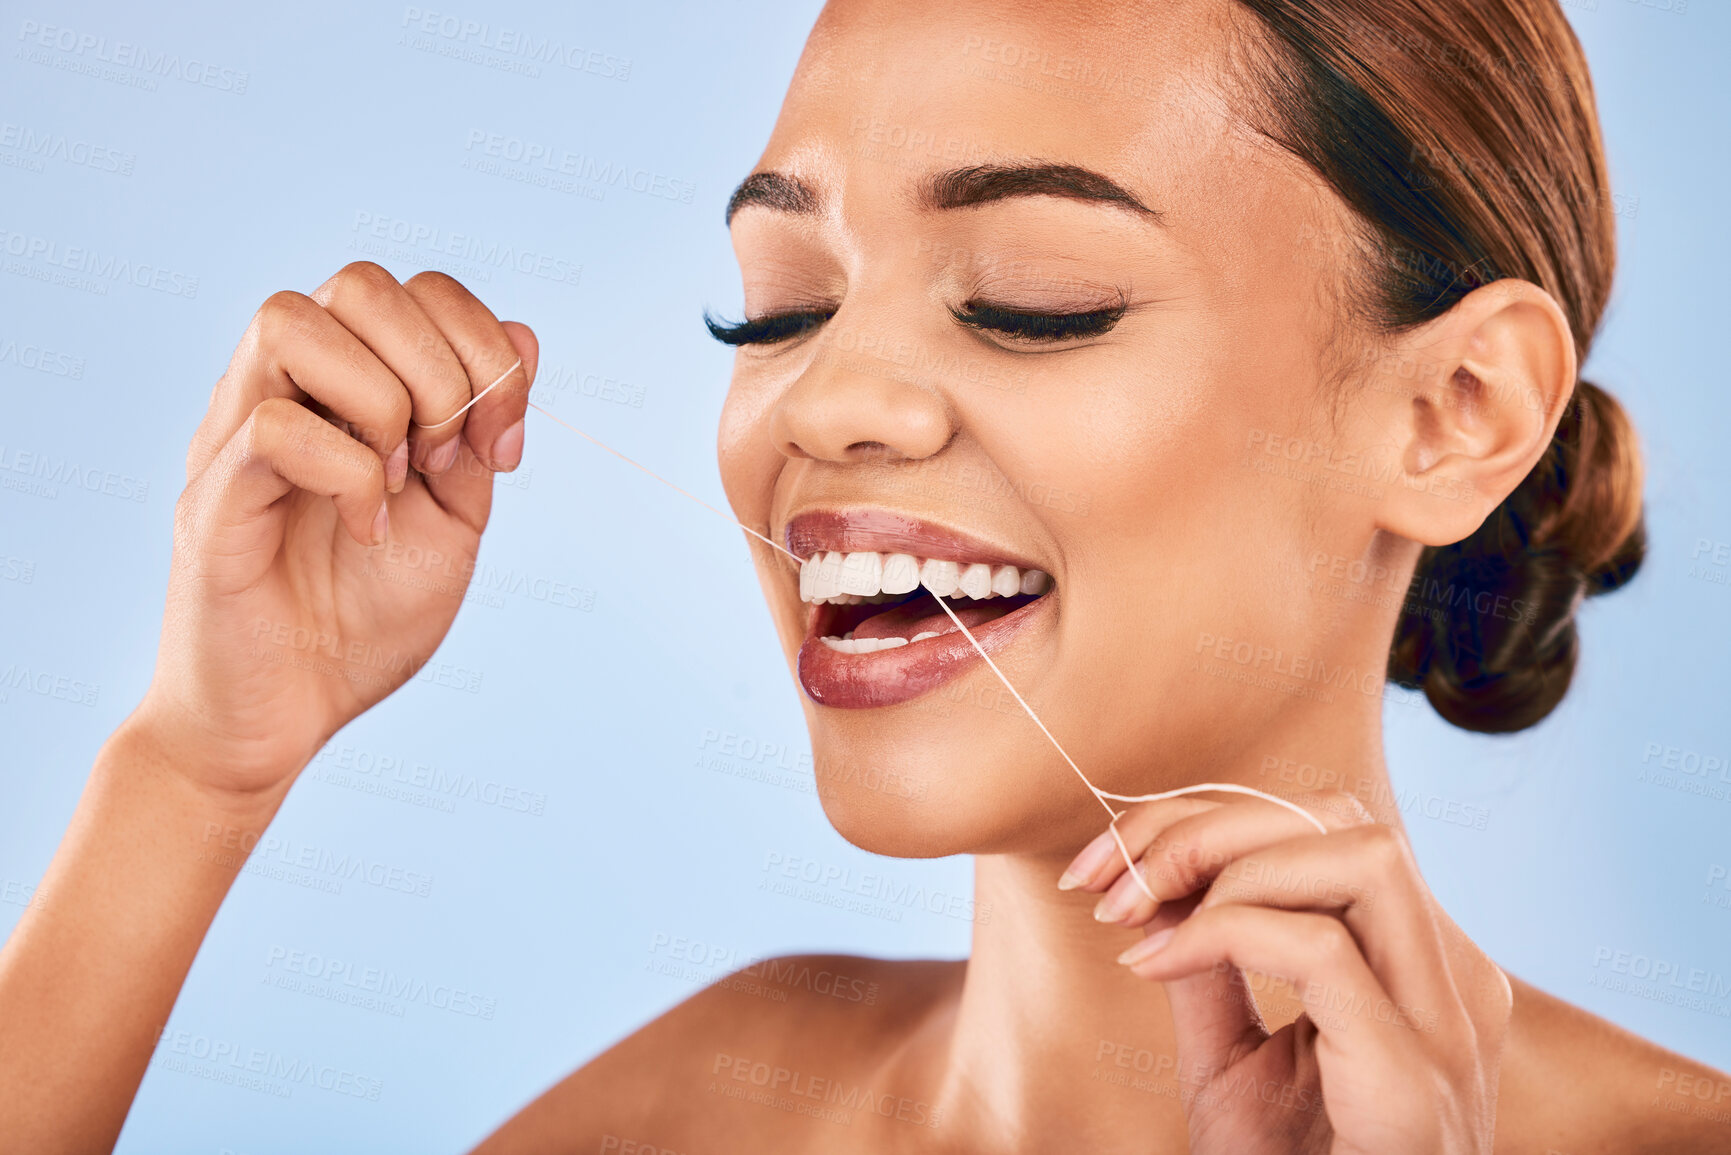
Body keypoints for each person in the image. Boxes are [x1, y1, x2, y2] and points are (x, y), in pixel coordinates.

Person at [3, 1, 1726, 1151]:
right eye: (778, 302)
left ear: (1456, 412)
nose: (823, 402)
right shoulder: (700, 1107)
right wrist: (191, 771)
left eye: (1037, 296)